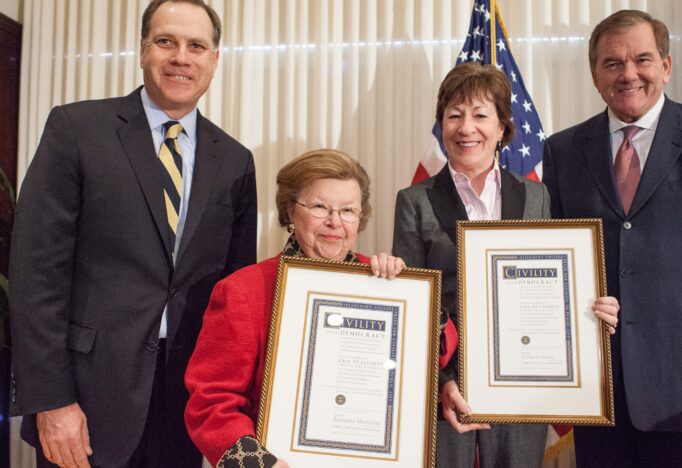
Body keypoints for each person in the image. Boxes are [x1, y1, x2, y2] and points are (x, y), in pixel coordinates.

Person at [8, 1, 257, 466]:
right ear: (143, 50)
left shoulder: (235, 160)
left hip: (186, 402)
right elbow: (35, 275)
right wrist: (51, 400)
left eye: (196, 46)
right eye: (166, 41)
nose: (181, 57)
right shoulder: (77, 130)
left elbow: (236, 291)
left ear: (214, 60)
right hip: (86, 399)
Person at [543, 9, 682, 467]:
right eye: (612, 64)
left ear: (666, 66)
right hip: (596, 389)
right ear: (594, 74)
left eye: (642, 60)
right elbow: (554, 267)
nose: (628, 74)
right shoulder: (562, 150)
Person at [393, 62, 620, 468]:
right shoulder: (414, 201)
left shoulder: (538, 197)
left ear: (503, 127)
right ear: (440, 125)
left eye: (481, 115)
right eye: (454, 115)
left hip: (524, 376)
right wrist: (441, 383)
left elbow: (559, 284)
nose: (466, 128)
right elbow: (413, 305)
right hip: (448, 383)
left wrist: (591, 309)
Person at [185, 149, 408, 468]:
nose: (335, 222)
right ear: (290, 210)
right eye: (320, 207)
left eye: (348, 210)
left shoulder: (381, 280)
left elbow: (438, 354)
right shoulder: (243, 291)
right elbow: (210, 404)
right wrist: (258, 464)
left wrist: (408, 289)